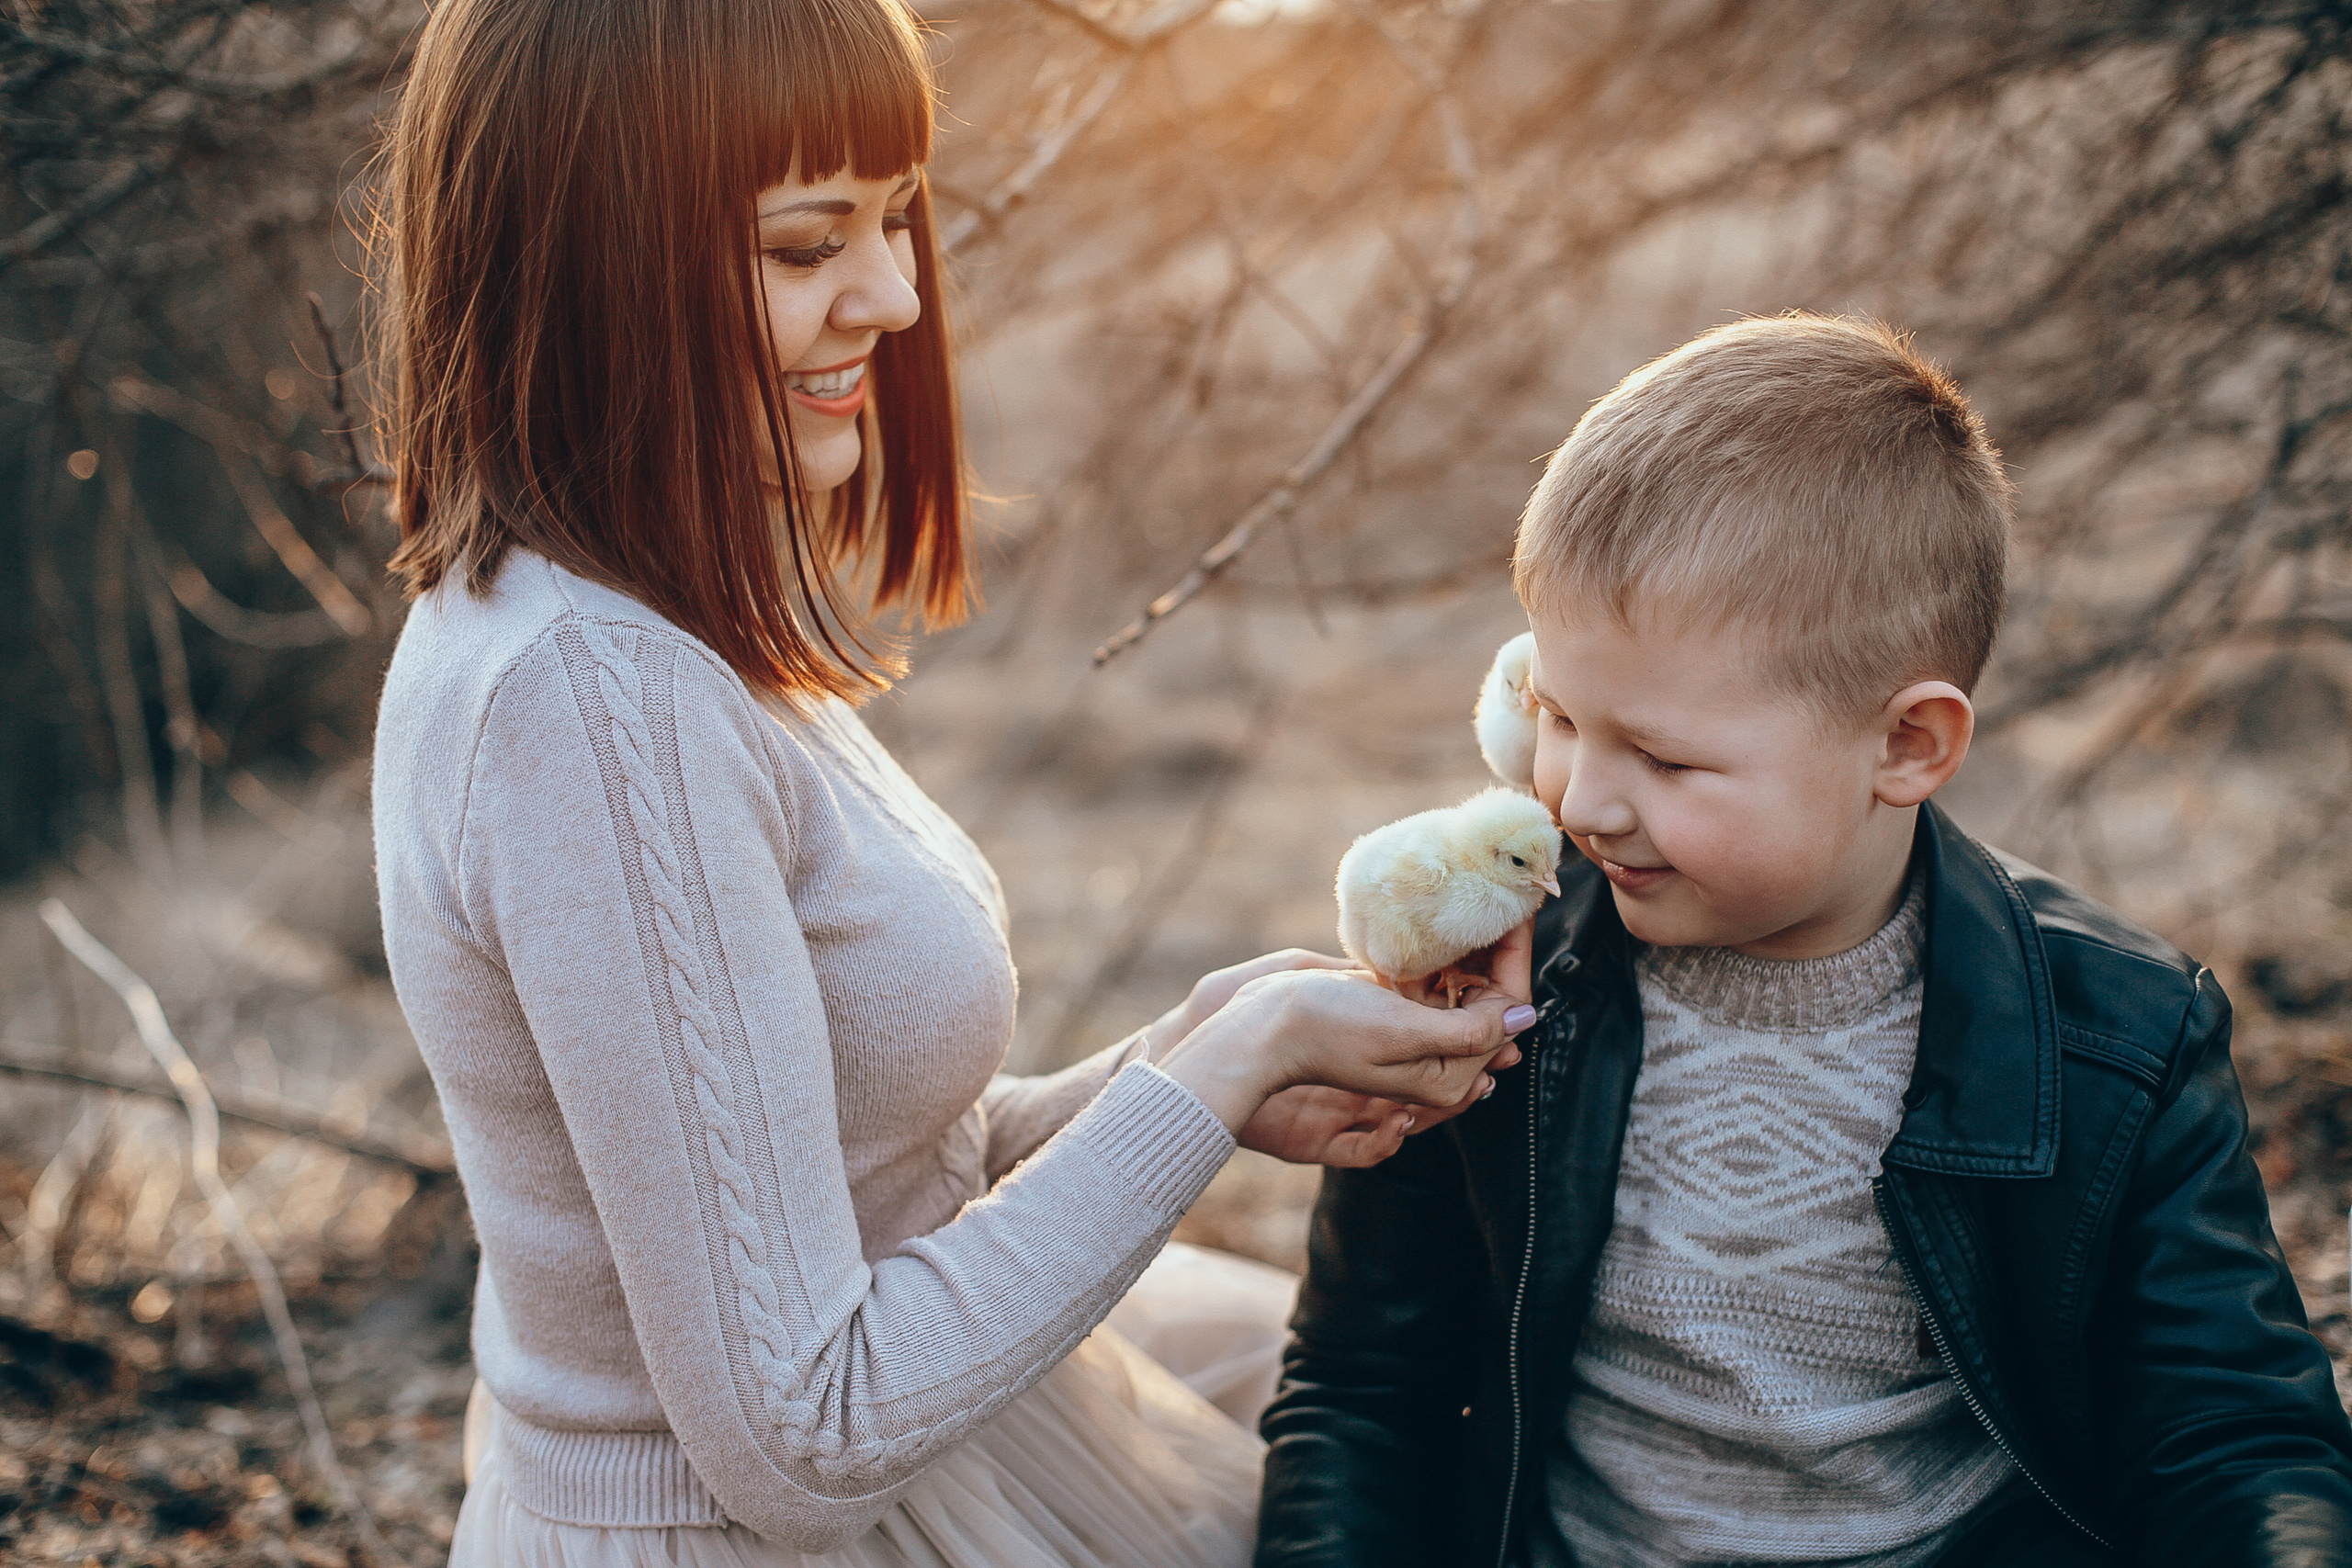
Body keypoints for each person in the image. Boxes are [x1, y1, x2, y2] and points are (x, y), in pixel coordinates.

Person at [365, 0, 1537, 1563]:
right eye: (806, 247)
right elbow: (804, 1429)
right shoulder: (590, 705)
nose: (896, 294)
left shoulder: (643, 625)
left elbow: (857, 1180)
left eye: (895, 219)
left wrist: (1197, 1060)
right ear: (593, 263)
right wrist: (1215, 1076)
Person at [1254, 314, 2352, 1568]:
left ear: (1906, 746)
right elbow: (1360, 1394)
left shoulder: (2117, 1040)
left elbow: (2231, 1435)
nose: (1583, 802)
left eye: (1664, 757)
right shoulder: (1483, 993)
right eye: (1555, 714)